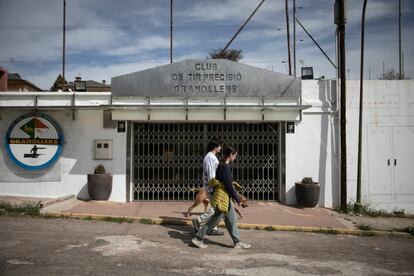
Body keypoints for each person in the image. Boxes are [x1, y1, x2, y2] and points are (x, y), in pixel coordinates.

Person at [192, 146, 251, 249]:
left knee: (231, 220)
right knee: (214, 221)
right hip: (222, 199)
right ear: (231, 155)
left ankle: (237, 242)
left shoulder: (222, 165)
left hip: (224, 198)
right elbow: (228, 185)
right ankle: (198, 238)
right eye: (235, 156)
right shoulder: (224, 167)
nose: (235, 158)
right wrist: (238, 199)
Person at [192, 139, 224, 236]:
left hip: (210, 186)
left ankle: (212, 228)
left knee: (217, 208)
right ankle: (198, 221)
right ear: (215, 147)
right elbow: (211, 175)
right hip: (212, 187)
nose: (221, 148)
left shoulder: (211, 157)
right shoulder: (210, 158)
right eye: (219, 146)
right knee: (216, 208)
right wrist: (215, 186)